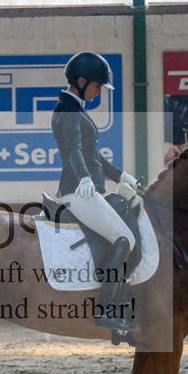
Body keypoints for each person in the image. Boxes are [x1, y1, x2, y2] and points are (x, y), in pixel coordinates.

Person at [52, 52, 139, 332]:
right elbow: (74, 150)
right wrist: (85, 179)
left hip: (86, 190)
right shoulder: (67, 110)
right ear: (81, 80)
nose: (99, 92)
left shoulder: (76, 109)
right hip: (78, 193)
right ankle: (105, 311)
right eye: (97, 86)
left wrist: (120, 175)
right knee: (124, 239)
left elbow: (93, 155)